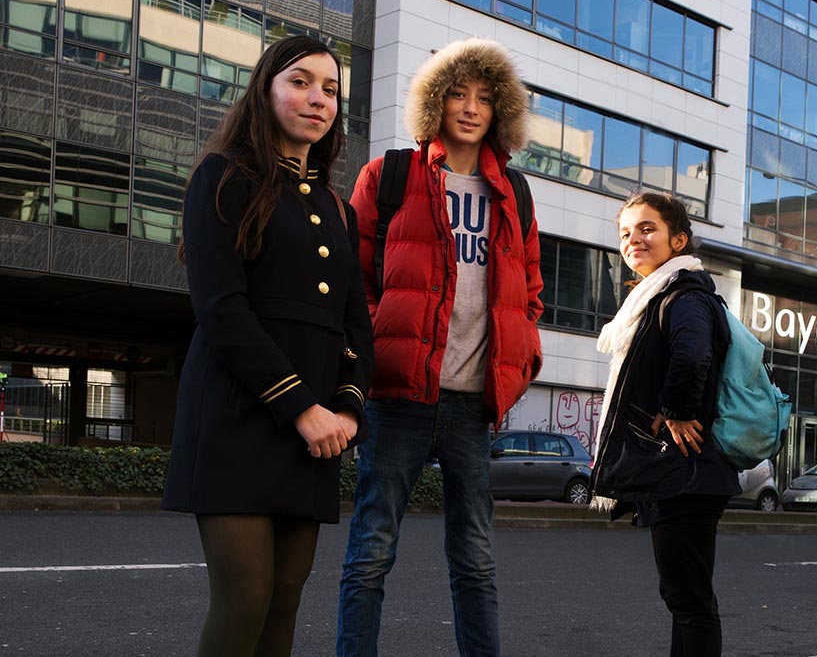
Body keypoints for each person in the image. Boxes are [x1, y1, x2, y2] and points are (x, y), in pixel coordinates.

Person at [162, 35, 373, 656]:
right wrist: (302, 408)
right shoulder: (221, 176)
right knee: (245, 597)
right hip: (237, 416)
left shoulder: (337, 205)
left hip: (314, 436)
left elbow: (354, 326)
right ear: (266, 89)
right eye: (300, 82)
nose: (318, 99)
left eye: (330, 89)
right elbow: (221, 309)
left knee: (284, 602)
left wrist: (348, 409)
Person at [336, 38, 543, 657]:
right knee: (371, 551)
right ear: (436, 100)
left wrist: (519, 358)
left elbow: (530, 294)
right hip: (397, 395)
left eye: (485, 97)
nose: (471, 107)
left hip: (471, 405)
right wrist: (373, 349)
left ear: (501, 110)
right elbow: (354, 278)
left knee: (475, 561)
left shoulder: (515, 193)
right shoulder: (390, 175)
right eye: (458, 92)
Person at [590, 191, 742, 657]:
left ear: (678, 240)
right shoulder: (658, 296)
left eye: (647, 229)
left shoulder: (684, 294)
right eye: (625, 233)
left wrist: (678, 410)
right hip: (681, 475)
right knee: (684, 598)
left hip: (687, 474)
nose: (633, 239)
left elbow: (692, 354)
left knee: (689, 601)